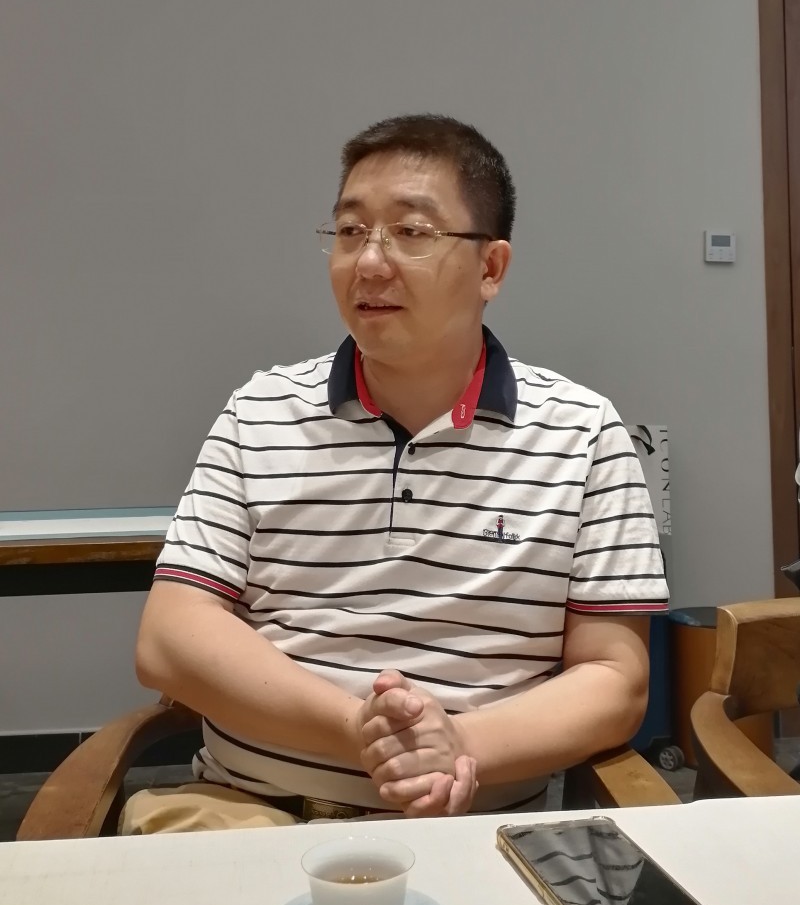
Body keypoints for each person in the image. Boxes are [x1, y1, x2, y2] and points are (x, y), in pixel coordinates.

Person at [122, 114, 669, 835]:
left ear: (490, 268)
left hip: (476, 833)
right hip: (248, 816)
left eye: (411, 232)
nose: (370, 262)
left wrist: (461, 743)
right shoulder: (259, 412)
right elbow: (168, 638)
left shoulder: (585, 434)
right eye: (350, 231)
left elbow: (616, 681)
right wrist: (359, 730)